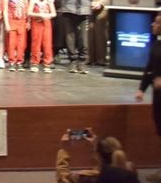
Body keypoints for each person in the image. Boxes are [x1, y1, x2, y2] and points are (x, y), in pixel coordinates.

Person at [55, 129, 138, 183]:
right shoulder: (130, 171)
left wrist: (63, 150)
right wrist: (96, 144)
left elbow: (63, 178)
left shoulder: (89, 177)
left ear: (97, 155)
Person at [135, 12, 161, 169]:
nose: (152, 25)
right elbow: (149, 68)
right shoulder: (156, 44)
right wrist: (141, 89)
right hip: (158, 97)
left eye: (157, 23)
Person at [2, 0, 29, 71]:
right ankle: (11, 61)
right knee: (11, 42)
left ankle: (20, 61)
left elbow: (27, 8)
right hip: (12, 21)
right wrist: (6, 24)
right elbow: (5, 10)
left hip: (22, 21)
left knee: (21, 43)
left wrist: (28, 21)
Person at [28, 0, 57, 73]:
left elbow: (54, 13)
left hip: (46, 23)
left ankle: (47, 63)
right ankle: (34, 63)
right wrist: (39, 15)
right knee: (36, 43)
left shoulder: (48, 0)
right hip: (36, 23)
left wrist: (47, 15)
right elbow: (29, 12)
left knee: (47, 43)